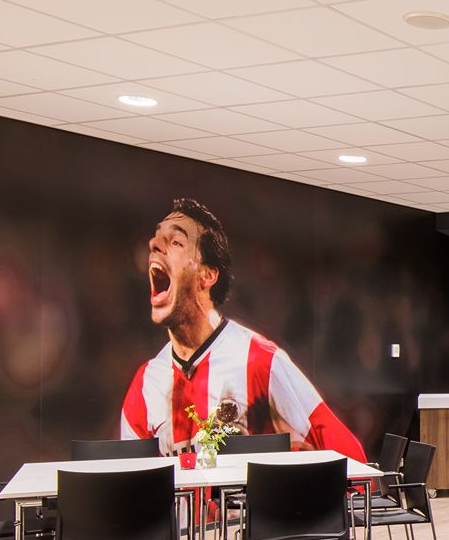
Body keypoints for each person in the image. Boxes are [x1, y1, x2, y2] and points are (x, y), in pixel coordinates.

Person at [118, 198, 367, 461]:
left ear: (207, 275)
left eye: (176, 242)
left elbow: (349, 454)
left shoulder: (260, 361)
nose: (154, 245)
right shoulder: (146, 384)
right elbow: (130, 477)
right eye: (156, 238)